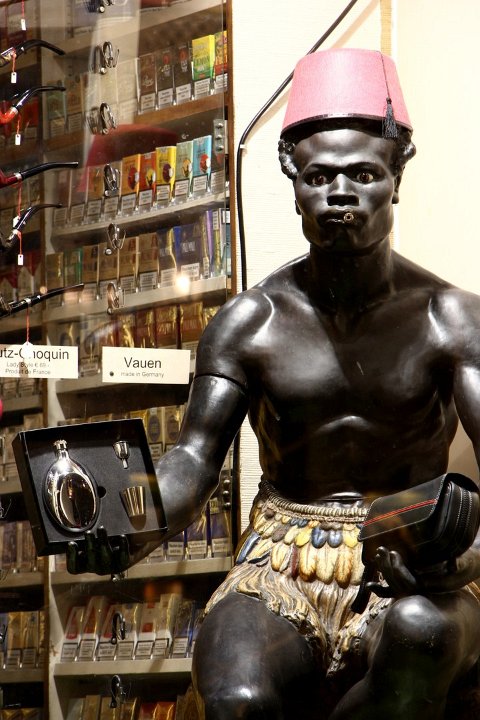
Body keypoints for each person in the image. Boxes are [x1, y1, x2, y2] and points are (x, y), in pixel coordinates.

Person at [68, 49, 480, 719]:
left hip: (408, 561)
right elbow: (194, 458)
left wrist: (464, 555)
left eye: (363, 174)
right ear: (293, 183)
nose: (340, 192)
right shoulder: (249, 322)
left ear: (396, 180)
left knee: (419, 634)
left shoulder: (451, 318)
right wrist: (129, 521)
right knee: (238, 694)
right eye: (320, 176)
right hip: (281, 561)